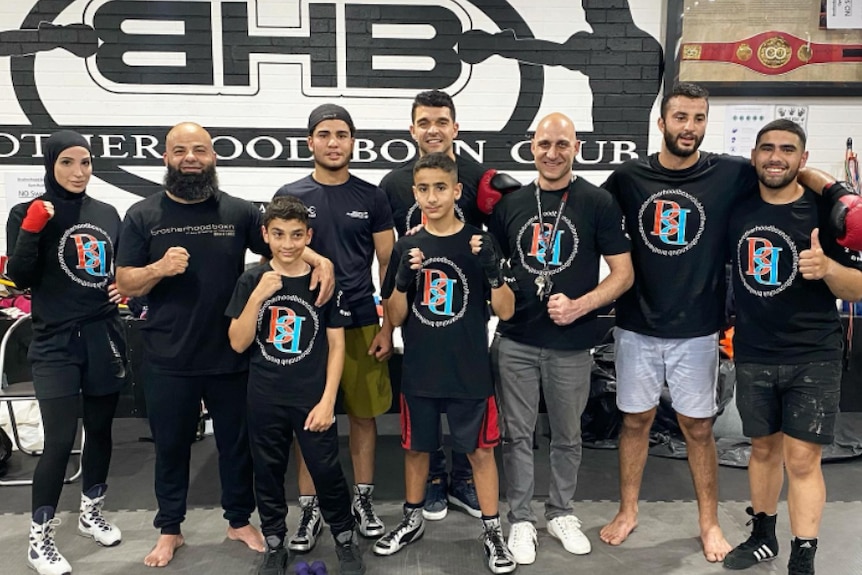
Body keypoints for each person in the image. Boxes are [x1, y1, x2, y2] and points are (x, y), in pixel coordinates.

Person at [115, 122, 334, 568]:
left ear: (214, 156)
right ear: (166, 157)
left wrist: (318, 258)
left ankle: (238, 520)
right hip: (168, 354)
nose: (190, 157)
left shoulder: (237, 211)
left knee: (236, 445)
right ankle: (169, 530)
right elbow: (124, 282)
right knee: (172, 445)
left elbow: (280, 244)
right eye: (181, 150)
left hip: (231, 353)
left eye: (200, 149)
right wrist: (158, 268)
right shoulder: (143, 215)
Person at [598, 83, 758, 562]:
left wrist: (837, 194)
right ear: (662, 122)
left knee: (699, 427)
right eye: (681, 117)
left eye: (698, 118)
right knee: (635, 421)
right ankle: (628, 511)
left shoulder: (730, 173)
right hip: (636, 325)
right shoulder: (628, 178)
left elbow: (784, 171)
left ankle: (709, 523)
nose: (689, 127)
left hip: (698, 328)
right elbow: (585, 217)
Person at [488, 113, 633, 564]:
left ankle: (561, 512)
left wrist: (581, 306)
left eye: (562, 144)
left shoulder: (597, 202)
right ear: (530, 147)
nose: (553, 153)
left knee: (568, 435)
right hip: (515, 340)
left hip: (571, 342)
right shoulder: (509, 206)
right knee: (516, 435)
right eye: (545, 144)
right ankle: (521, 521)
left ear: (576, 148)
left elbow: (624, 274)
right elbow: (493, 274)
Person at [723, 120, 862, 575]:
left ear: (802, 160)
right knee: (762, 450)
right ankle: (763, 536)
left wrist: (827, 269)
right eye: (767, 148)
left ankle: (804, 554)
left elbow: (858, 288)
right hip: (754, 352)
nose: (775, 156)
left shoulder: (826, 214)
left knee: (802, 459)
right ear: (755, 156)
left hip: (813, 355)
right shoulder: (737, 208)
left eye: (787, 149)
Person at [373, 152, 517, 574]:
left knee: (479, 452)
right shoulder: (407, 245)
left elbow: (506, 311)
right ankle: (412, 518)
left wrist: (492, 270)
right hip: (421, 368)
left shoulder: (479, 242)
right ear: (414, 193)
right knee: (418, 451)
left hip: (469, 369)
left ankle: (492, 531)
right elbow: (395, 318)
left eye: (441, 188)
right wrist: (402, 280)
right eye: (423, 189)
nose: (432, 197)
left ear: (456, 191)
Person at [274, 104, 394, 548]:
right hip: (306, 329)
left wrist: (389, 327)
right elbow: (280, 247)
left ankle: (361, 501)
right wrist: (315, 258)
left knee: (363, 417)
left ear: (352, 141)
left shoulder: (372, 197)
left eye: (342, 134)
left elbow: (388, 264)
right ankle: (310, 509)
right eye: (324, 134)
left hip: (363, 320)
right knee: (311, 420)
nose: (333, 142)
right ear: (310, 142)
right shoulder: (291, 194)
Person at [6, 130, 126, 575]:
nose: (78, 172)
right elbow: (19, 277)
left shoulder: (107, 212)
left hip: (102, 336)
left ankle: (91, 514)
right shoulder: (27, 211)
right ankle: (40, 539)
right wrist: (33, 228)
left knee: (100, 431)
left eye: (86, 163)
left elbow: (117, 269)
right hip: (55, 342)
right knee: (58, 441)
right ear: (50, 165)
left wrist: (125, 287)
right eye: (67, 163)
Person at [226, 195, 364, 575]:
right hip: (264, 395)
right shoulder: (252, 279)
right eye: (279, 234)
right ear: (266, 234)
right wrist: (258, 297)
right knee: (267, 471)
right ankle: (274, 542)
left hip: (311, 396)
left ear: (309, 235)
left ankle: (345, 537)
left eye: (297, 235)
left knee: (326, 470)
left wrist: (328, 399)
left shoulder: (323, 279)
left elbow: (337, 345)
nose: (288, 244)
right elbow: (237, 341)